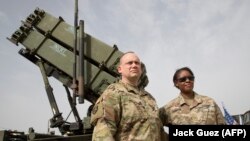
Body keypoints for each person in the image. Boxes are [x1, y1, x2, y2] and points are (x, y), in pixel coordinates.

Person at [90, 51, 167, 141]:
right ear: (120, 69)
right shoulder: (112, 94)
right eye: (129, 63)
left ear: (141, 69)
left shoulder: (149, 98)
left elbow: (159, 131)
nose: (134, 65)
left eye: (137, 63)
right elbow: (103, 135)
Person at [159, 67, 225, 125]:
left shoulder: (210, 102)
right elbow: (153, 125)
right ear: (176, 83)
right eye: (183, 79)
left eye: (191, 78)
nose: (188, 81)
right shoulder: (168, 108)